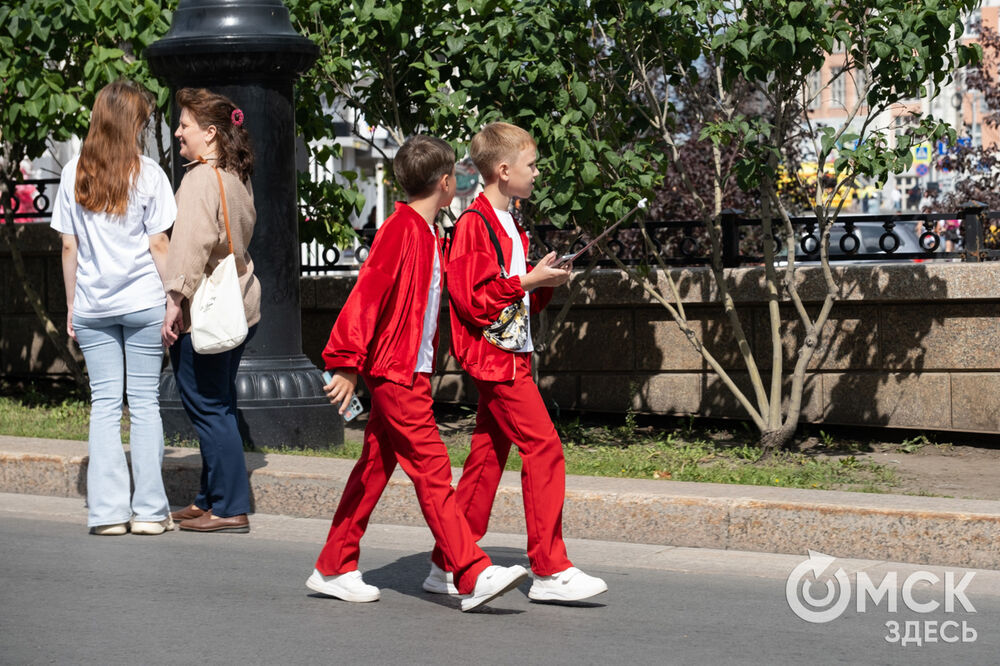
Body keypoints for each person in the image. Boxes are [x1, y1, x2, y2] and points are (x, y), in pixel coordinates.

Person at [306, 135, 528, 612]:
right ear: (446, 183)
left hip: (407, 370)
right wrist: (345, 362)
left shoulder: (427, 232)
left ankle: (333, 564)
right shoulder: (401, 229)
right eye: (457, 179)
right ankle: (468, 571)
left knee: (373, 467)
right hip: (395, 372)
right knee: (431, 469)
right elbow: (368, 293)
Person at [428, 121, 608, 602]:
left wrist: (541, 283)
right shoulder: (475, 223)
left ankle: (447, 562)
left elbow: (510, 300)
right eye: (531, 165)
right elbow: (473, 298)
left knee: (488, 455)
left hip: (508, 356)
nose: (537, 172)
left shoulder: (509, 222)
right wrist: (530, 282)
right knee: (545, 449)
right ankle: (549, 570)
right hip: (497, 360)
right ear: (503, 170)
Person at [50, 80, 176, 536]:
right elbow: (159, 244)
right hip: (143, 301)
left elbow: (69, 247)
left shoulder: (73, 173)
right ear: (131, 122)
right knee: (144, 403)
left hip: (93, 304)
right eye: (143, 117)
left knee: (104, 404)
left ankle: (106, 514)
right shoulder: (150, 174)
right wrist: (172, 300)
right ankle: (148, 512)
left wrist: (71, 304)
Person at [161, 88, 260, 534]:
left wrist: (173, 302)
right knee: (217, 402)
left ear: (211, 132)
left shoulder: (201, 178)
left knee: (206, 405)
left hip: (205, 308)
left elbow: (189, 247)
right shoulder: (236, 175)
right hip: (240, 303)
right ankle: (208, 498)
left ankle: (230, 506)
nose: (179, 131)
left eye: (185, 125)